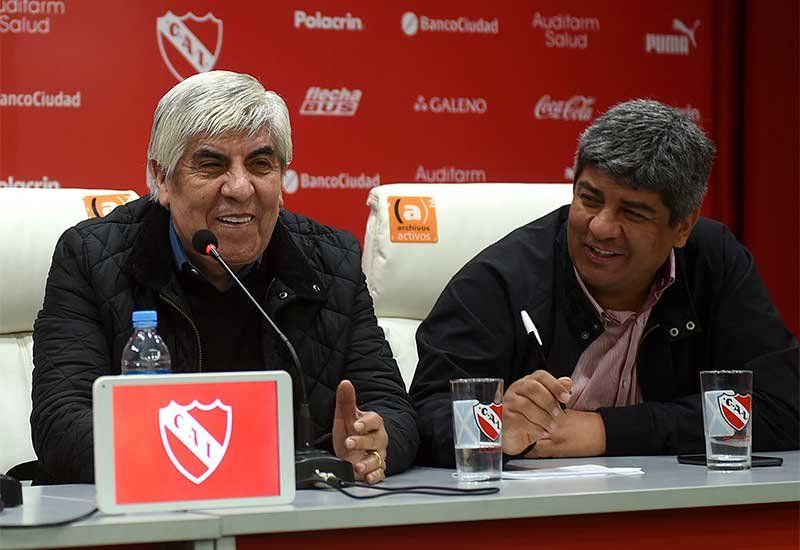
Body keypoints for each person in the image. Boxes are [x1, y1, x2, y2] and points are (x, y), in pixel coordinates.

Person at [31, 70, 418, 484]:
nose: (240, 188)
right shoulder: (92, 258)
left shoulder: (331, 262)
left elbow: (393, 410)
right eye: (211, 165)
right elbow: (62, 423)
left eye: (260, 164)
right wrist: (216, 461)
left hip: (297, 509)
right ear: (162, 178)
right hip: (152, 511)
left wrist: (370, 443)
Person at [410, 99, 799, 465]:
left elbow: (784, 407)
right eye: (590, 199)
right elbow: (425, 418)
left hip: (676, 503)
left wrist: (605, 431)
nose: (600, 227)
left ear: (682, 227)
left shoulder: (713, 263)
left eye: (632, 213)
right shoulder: (498, 281)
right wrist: (497, 427)